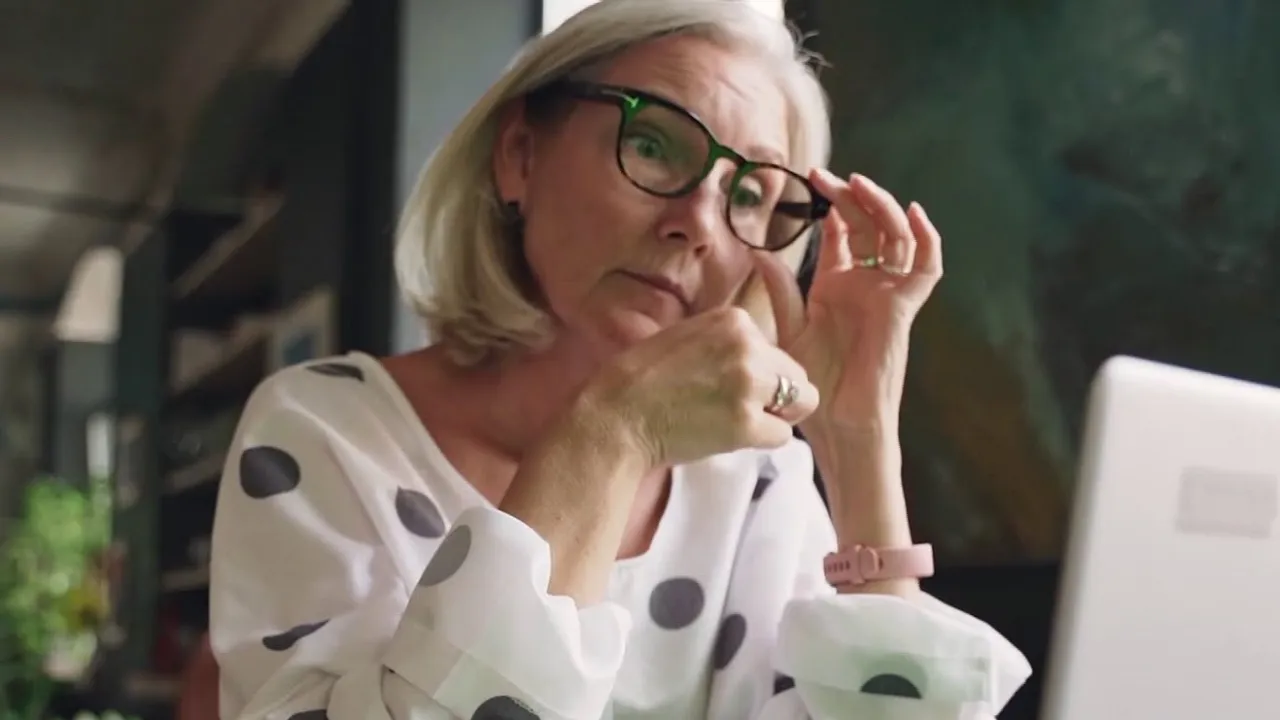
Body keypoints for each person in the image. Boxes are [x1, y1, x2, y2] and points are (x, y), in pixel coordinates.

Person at [209, 1, 1031, 718]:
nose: (697, 223)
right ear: (520, 156)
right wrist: (610, 435)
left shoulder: (756, 484)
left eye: (749, 194)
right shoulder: (327, 431)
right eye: (655, 145)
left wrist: (857, 446)